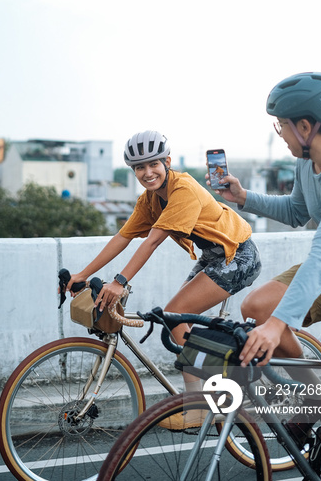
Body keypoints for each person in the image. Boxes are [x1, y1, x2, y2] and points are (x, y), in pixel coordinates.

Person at [213, 72, 321, 481]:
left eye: (281, 125)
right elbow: (297, 212)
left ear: (306, 127)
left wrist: (280, 325)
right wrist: (244, 198)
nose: (280, 133)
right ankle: (316, 397)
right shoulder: (309, 163)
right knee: (257, 307)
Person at [67, 130, 261, 427]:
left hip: (238, 255)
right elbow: (123, 237)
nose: (147, 173)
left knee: (175, 317)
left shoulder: (183, 190)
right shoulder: (150, 200)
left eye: (153, 164)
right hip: (214, 256)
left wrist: (119, 281)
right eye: (139, 168)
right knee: (176, 320)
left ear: (167, 162)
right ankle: (206, 391)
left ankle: (206, 401)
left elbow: (152, 242)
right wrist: (83, 274)